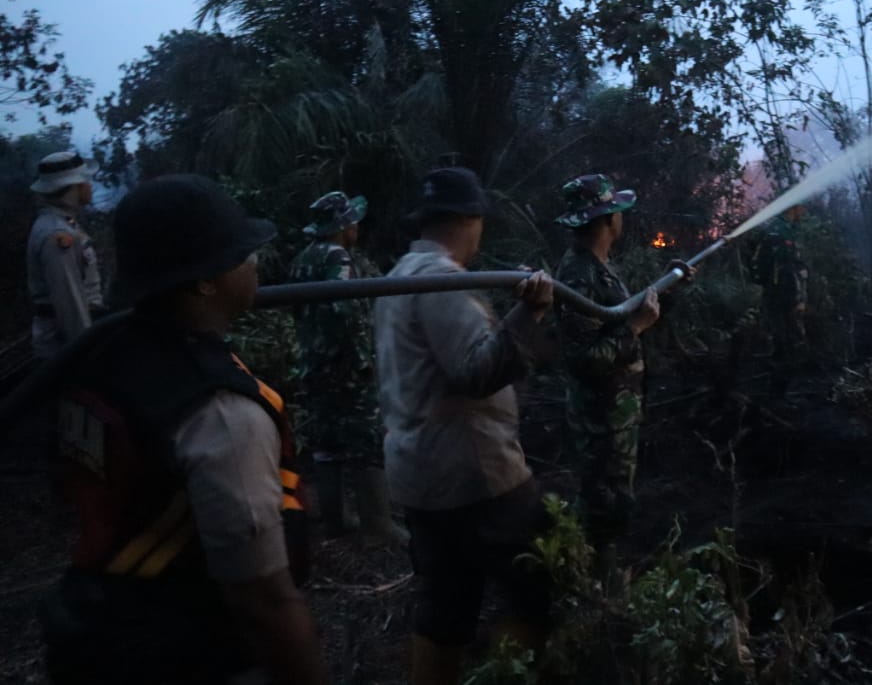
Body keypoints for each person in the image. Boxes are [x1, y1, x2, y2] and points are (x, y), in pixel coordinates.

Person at [40, 174, 330, 685]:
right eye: (243, 253)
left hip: (102, 624)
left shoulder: (101, 358)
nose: (255, 262)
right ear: (204, 281)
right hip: (190, 653)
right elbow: (262, 600)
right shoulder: (219, 411)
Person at [374, 167, 556, 685]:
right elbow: (476, 372)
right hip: (476, 474)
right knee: (537, 586)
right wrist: (528, 315)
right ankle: (509, 675)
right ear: (470, 219)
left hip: (418, 474)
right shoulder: (444, 282)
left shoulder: (400, 274)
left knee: (444, 606)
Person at [552, 174, 661, 570]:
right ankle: (596, 592)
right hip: (601, 422)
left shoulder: (598, 267)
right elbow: (585, 358)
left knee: (613, 502)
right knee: (604, 509)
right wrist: (635, 328)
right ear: (607, 220)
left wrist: (671, 288)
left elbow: (616, 317)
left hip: (616, 416)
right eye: (618, 212)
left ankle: (600, 579)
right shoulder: (579, 276)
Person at [289, 190, 405, 546]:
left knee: (327, 444)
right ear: (343, 226)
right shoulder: (338, 257)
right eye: (352, 221)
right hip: (345, 365)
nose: (357, 227)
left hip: (313, 364)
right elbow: (346, 309)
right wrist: (363, 360)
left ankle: (336, 520)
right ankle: (378, 524)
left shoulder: (302, 258)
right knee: (366, 439)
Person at [27, 150, 104, 360]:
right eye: (85, 181)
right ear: (71, 189)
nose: (90, 186)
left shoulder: (63, 225)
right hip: (63, 350)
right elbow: (71, 306)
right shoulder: (56, 236)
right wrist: (87, 355)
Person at [751, 203, 809, 398]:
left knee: (790, 344)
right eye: (802, 208)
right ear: (793, 208)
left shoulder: (788, 230)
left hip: (787, 298)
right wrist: (793, 297)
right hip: (781, 300)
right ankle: (775, 395)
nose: (804, 211)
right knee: (783, 344)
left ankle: (780, 391)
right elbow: (778, 269)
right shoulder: (778, 232)